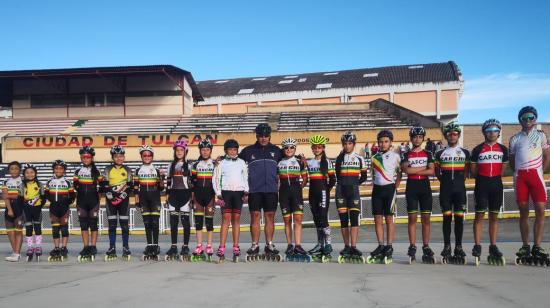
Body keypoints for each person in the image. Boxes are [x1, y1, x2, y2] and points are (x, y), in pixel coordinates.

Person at [510, 106, 550, 266]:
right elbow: (512, 162)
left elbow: (547, 157)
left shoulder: (541, 136)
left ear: (535, 119)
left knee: (540, 210)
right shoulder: (514, 138)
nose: (528, 120)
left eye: (531, 117)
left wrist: (541, 171)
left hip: (536, 175)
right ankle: (526, 246)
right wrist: (519, 172)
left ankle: (537, 246)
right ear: (520, 119)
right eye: (524, 118)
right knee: (523, 211)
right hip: (521, 176)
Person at [239, 123, 282, 260]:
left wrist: (300, 159)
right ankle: (254, 245)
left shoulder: (277, 150)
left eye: (266, 136)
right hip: (254, 190)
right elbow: (235, 162)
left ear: (270, 136)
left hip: (271, 190)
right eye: (261, 136)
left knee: (270, 216)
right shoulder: (248, 151)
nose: (263, 138)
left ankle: (269, 244)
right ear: (256, 136)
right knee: (255, 216)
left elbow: (289, 159)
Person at [470, 119, 508, 266]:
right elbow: (474, 171)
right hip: (482, 184)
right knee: (479, 215)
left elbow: (503, 170)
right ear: (484, 132)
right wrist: (482, 179)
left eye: (495, 130)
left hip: (496, 184)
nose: (492, 133)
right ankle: (477, 245)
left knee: (494, 216)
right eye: (488, 130)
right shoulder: (478, 149)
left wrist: (494, 178)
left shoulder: (503, 149)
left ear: (498, 132)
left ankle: (493, 246)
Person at [435, 122, 470, 264]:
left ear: (458, 135)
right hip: (446, 190)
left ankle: (459, 247)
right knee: (447, 219)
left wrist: (458, 181)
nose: (452, 136)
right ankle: (447, 246)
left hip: (460, 190)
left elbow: (467, 171)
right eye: (449, 134)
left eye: (455, 133)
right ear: (446, 136)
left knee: (459, 220)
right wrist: (446, 182)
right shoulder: (440, 153)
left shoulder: (465, 153)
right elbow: (437, 172)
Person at [401, 126, 435, 264]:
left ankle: (426, 246)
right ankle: (412, 245)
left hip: (425, 188)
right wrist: (424, 168)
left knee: (426, 219)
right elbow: (406, 171)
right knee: (412, 219)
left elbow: (432, 171)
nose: (417, 139)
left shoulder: (428, 153)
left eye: (420, 137)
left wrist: (414, 170)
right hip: (412, 188)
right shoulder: (406, 154)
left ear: (423, 138)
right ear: (411, 138)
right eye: (415, 137)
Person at [367, 130, 401, 264]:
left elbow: (399, 174)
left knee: (389, 219)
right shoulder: (374, 157)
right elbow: (373, 174)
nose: (383, 144)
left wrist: (395, 188)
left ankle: (389, 245)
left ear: (390, 142)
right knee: (377, 219)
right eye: (381, 141)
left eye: (386, 141)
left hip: (390, 189)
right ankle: (381, 245)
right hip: (377, 190)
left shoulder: (396, 156)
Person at [335, 131, 368, 263]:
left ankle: (354, 246)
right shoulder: (339, 158)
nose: (347, 146)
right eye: (345, 144)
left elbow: (364, 176)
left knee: (354, 219)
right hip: (341, 191)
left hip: (353, 191)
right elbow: (337, 175)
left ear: (354, 144)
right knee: (344, 220)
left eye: (350, 143)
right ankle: (347, 246)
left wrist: (355, 184)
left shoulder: (360, 158)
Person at [214, 139, 249, 262]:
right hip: (226, 193)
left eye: (235, 149)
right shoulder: (221, 163)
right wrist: (218, 194)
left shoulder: (242, 162)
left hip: (238, 193)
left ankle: (236, 247)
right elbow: (216, 178)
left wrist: (246, 191)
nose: (233, 152)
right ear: (225, 151)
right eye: (230, 149)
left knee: (236, 220)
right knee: (226, 220)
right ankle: (222, 247)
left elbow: (245, 177)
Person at [277, 138, 309, 261]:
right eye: (286, 147)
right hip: (283, 193)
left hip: (296, 193)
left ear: (295, 149)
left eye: (291, 147)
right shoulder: (279, 162)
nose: (289, 150)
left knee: (298, 220)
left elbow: (305, 178)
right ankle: (290, 245)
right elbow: (276, 179)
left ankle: (298, 245)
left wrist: (298, 188)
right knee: (287, 221)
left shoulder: (300, 162)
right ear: (283, 149)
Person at [306, 135, 336, 262]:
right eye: (314, 147)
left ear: (323, 148)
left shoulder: (327, 162)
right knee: (317, 219)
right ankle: (320, 244)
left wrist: (326, 190)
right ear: (312, 149)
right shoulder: (310, 162)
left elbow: (333, 179)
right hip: (312, 193)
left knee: (323, 218)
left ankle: (328, 243)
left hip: (323, 192)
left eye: (319, 147)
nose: (317, 149)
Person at [101, 145, 133, 261]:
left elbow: (130, 186)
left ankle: (125, 247)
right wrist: (110, 196)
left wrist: (123, 195)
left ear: (124, 157)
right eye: (116, 156)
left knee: (125, 225)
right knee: (112, 225)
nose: (119, 158)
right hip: (111, 201)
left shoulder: (128, 170)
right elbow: (104, 185)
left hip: (124, 201)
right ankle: (112, 247)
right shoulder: (107, 169)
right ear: (112, 157)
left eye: (121, 156)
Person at [134, 145, 164, 261]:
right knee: (147, 223)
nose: (147, 157)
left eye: (149, 155)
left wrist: (161, 178)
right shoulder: (138, 170)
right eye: (144, 155)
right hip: (143, 200)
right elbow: (136, 188)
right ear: (141, 156)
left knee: (155, 223)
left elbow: (161, 188)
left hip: (155, 198)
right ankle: (149, 245)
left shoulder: (156, 170)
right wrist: (137, 201)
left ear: (152, 156)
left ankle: (155, 245)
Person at [165, 140, 193, 261]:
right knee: (173, 222)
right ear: (175, 152)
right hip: (173, 196)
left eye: (181, 150)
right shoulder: (170, 165)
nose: (179, 152)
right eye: (177, 150)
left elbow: (192, 183)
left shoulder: (190, 166)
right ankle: (174, 246)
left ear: (185, 151)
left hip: (185, 195)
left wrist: (192, 197)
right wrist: (167, 195)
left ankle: (185, 246)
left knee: (185, 222)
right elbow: (168, 182)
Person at [74, 146, 102, 262]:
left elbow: (101, 189)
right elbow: (75, 186)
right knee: (84, 225)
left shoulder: (97, 171)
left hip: (93, 201)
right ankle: (86, 246)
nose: (85, 159)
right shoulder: (78, 171)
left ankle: (93, 246)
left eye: (88, 157)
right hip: (81, 201)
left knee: (93, 224)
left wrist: (98, 201)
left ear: (92, 158)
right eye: (83, 157)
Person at [190, 139, 216, 261]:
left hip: (210, 196)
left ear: (210, 150)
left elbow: (217, 181)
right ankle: (199, 246)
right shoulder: (195, 165)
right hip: (198, 197)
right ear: (200, 150)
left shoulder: (215, 164)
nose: (205, 152)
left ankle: (209, 246)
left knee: (209, 223)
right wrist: (192, 198)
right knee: (199, 223)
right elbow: (192, 183)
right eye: (203, 150)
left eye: (207, 150)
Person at [45, 160, 76, 261]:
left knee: (64, 229)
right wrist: (54, 202)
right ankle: (57, 247)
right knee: (55, 230)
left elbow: (72, 196)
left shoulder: (67, 182)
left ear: (64, 171)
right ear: (53, 170)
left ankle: (64, 247)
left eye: (61, 168)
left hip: (64, 208)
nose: (58, 170)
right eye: (56, 168)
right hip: (54, 208)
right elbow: (46, 195)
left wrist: (66, 202)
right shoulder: (49, 182)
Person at [21, 164, 46, 262]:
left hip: (37, 209)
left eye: (32, 172)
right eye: (27, 172)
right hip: (26, 209)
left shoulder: (40, 184)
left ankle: (38, 246)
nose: (30, 174)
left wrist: (39, 205)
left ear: (35, 173)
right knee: (28, 228)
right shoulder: (22, 185)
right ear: (24, 174)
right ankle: (30, 247)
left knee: (37, 227)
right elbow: (20, 198)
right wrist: (25, 205)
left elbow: (43, 197)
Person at [3, 161, 24, 262]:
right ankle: (14, 252)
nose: (14, 170)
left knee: (18, 232)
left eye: (16, 168)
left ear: (20, 170)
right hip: (9, 209)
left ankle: (17, 253)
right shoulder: (5, 182)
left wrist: (10, 195)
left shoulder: (23, 182)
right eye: (12, 168)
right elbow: (4, 197)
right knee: (10, 232)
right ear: (8, 170)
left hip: (20, 209)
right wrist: (10, 210)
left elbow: (21, 196)